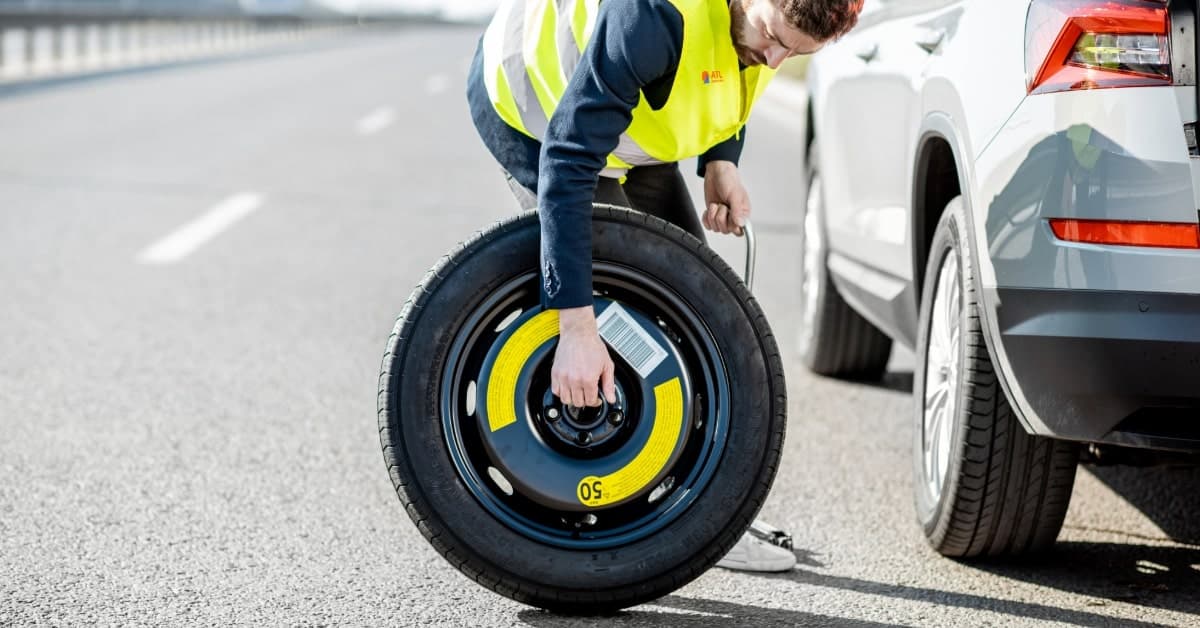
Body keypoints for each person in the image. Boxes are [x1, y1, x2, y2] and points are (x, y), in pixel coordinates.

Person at [467, 0, 863, 572]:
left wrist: (720, 159)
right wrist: (576, 327)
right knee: (607, 300)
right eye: (774, 36)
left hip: (628, 119)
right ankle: (632, 516)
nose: (774, 60)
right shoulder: (653, 16)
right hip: (535, 105)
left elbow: (732, 69)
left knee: (696, 310)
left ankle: (705, 511)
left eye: (795, 54)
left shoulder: (756, 32)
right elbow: (570, 157)